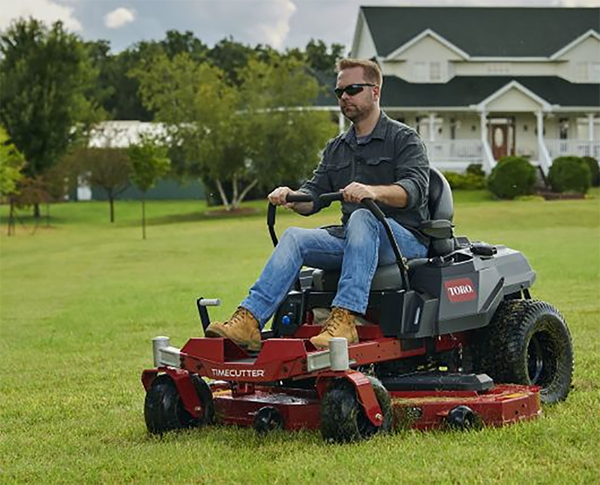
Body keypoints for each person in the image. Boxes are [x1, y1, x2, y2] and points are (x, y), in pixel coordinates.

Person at [205, 58, 430, 350]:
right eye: (339, 92)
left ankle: (345, 319)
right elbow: (313, 196)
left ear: (375, 92)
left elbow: (415, 190)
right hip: (354, 237)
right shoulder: (336, 148)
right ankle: (249, 320)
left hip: (403, 239)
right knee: (295, 237)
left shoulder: (404, 139)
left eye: (352, 89)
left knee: (362, 216)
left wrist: (371, 192)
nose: (344, 97)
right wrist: (291, 195)